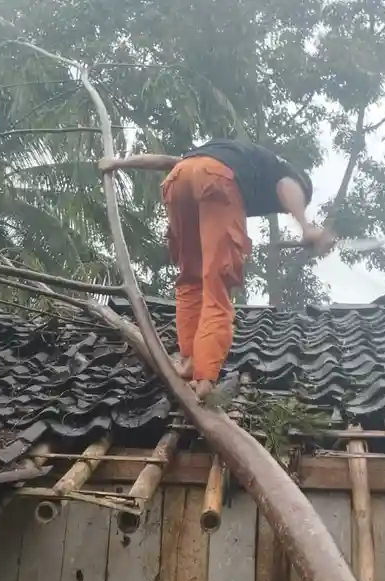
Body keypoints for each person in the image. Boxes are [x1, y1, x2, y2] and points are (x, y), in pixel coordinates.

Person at [99, 138, 337, 400]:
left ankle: (189, 362)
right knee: (218, 284)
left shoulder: (228, 156)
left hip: (179, 180)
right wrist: (306, 226)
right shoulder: (287, 174)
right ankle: (204, 378)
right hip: (217, 181)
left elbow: (166, 162)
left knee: (190, 280)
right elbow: (287, 185)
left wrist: (118, 163)